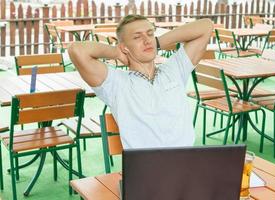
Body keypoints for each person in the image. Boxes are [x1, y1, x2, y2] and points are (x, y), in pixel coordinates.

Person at [68, 15, 213, 149]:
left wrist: (157, 42)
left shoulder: (175, 69)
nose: (146, 40)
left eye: (150, 34)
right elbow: (77, 50)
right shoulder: (116, 84)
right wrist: (117, 53)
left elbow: (206, 26)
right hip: (145, 169)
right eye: (137, 37)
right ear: (125, 47)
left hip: (186, 163)